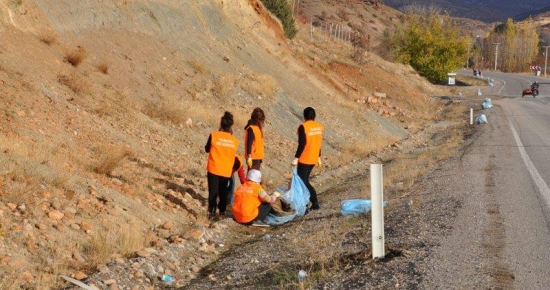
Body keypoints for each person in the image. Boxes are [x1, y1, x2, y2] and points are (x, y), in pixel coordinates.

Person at [205, 111, 239, 220]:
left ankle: (211, 213)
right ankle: (222, 212)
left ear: (221, 123)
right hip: (225, 170)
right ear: (231, 125)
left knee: (213, 191)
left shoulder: (214, 135)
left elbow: (207, 149)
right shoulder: (234, 140)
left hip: (214, 168)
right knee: (223, 191)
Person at [292, 107, 324, 211]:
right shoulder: (319, 127)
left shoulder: (303, 127)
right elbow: (318, 143)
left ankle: (313, 202)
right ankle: (310, 204)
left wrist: (296, 158)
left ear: (304, 116)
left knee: (303, 182)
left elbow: (302, 144)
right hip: (314, 158)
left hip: (305, 158)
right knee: (304, 181)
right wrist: (319, 157)